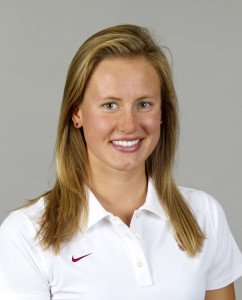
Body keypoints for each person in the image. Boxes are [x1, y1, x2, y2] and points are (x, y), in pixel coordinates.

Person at [0, 24, 241, 300]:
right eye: (110, 105)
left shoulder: (203, 215)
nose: (129, 125)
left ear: (163, 113)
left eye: (144, 104)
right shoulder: (26, 234)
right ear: (76, 113)